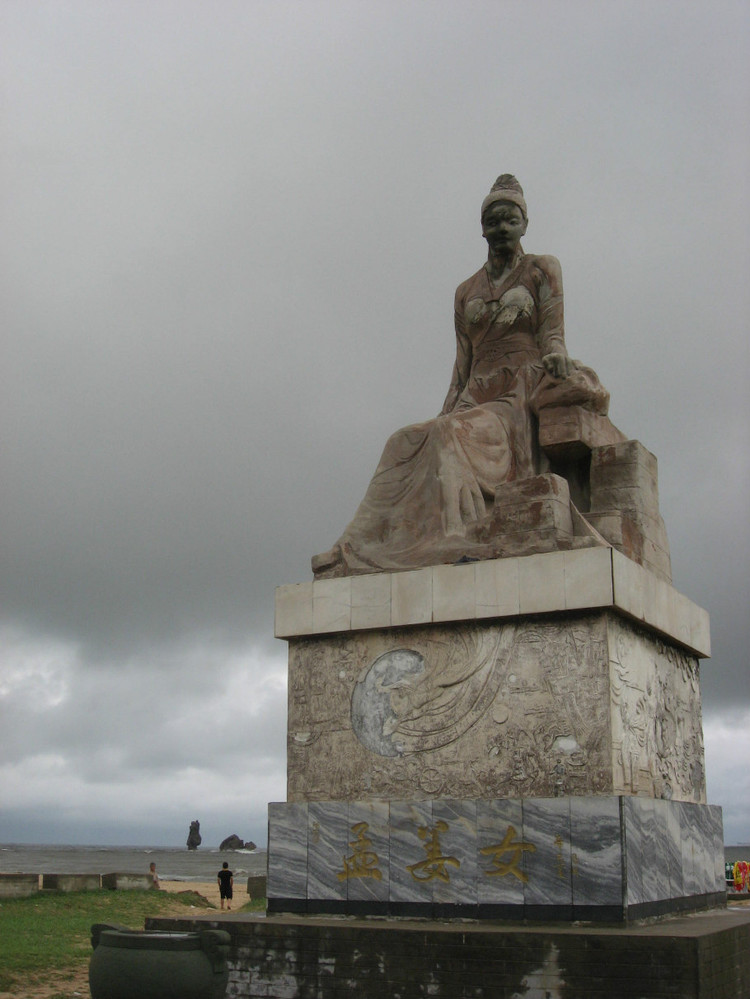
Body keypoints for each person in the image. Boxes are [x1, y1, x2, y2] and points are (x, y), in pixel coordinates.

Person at [312, 174, 607, 578]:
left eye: (510, 220)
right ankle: (352, 545)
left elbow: (552, 333)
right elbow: (461, 362)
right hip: (476, 390)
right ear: (482, 228)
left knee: (450, 435)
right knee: (403, 440)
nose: (501, 228)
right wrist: (446, 409)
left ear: (524, 223)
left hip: (517, 392)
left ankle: (452, 534)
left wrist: (556, 356)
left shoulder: (542, 269)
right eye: (493, 221)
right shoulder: (465, 289)